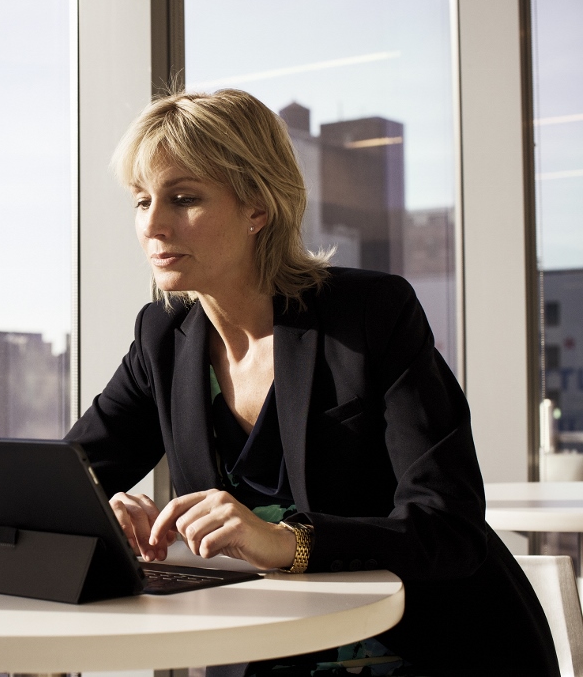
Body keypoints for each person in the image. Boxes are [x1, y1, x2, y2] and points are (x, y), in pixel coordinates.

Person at [65, 89, 558, 677]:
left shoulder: (371, 315)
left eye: (184, 198)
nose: (153, 224)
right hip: (270, 651)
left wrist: (288, 542)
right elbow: (57, 480)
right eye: (141, 201)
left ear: (258, 208)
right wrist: (100, 510)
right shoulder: (162, 338)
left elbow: (447, 526)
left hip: (423, 647)